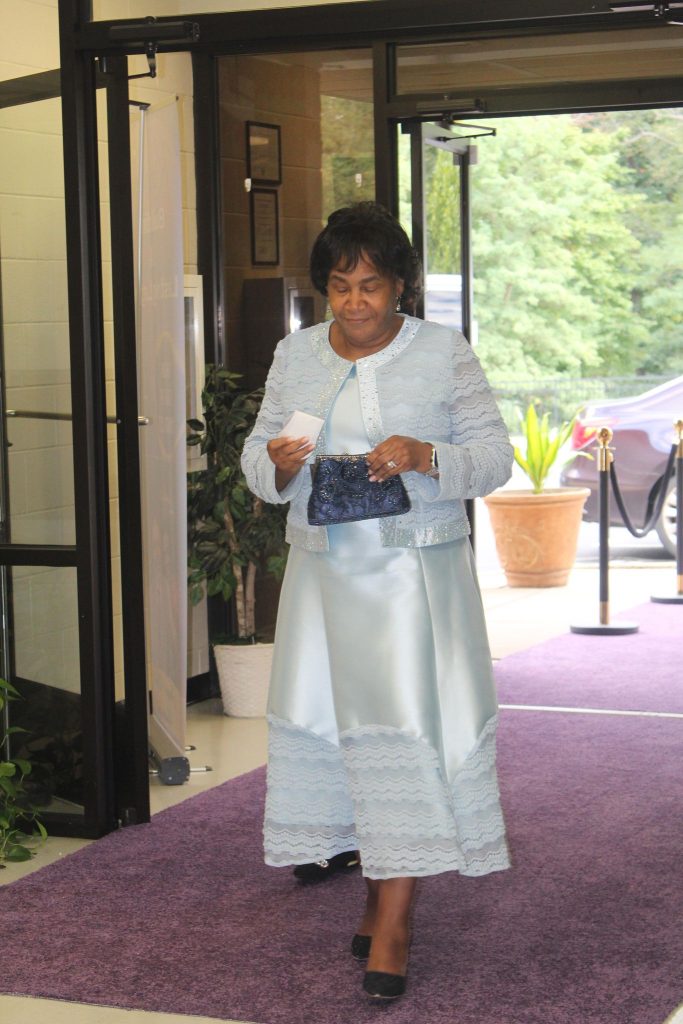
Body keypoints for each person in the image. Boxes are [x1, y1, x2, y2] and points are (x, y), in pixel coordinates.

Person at [241, 201, 513, 1001]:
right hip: (322, 577)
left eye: (370, 286)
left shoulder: (442, 352)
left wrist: (427, 454)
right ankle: (373, 893)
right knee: (342, 736)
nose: (355, 303)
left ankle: (394, 921)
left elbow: (493, 458)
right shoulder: (294, 353)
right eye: (339, 286)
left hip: (413, 579)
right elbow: (257, 458)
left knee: (404, 736)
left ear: (400, 286)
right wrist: (279, 462)